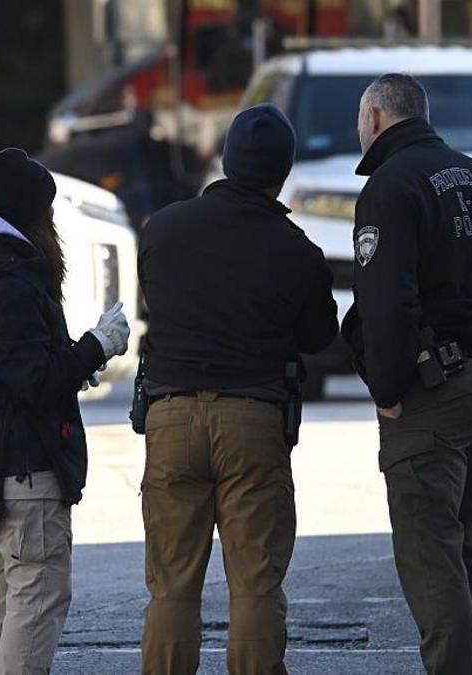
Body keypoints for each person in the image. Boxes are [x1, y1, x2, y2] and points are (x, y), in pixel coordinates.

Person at [342, 74, 472, 675]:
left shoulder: (389, 186)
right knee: (469, 555)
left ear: (375, 118)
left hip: (431, 397)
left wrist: (387, 389)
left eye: (360, 122)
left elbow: (386, 303)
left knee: (432, 564)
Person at [136, 103, 339, 674]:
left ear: (226, 161)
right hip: (253, 419)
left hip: (170, 415)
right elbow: (319, 336)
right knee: (254, 581)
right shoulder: (297, 249)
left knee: (172, 583)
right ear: (283, 171)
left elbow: (154, 300)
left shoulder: (164, 229)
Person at [0, 147, 130, 675]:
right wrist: (97, 346)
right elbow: (32, 379)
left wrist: (70, 362)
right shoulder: (10, 283)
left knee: (3, 595)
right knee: (36, 596)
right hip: (24, 469)